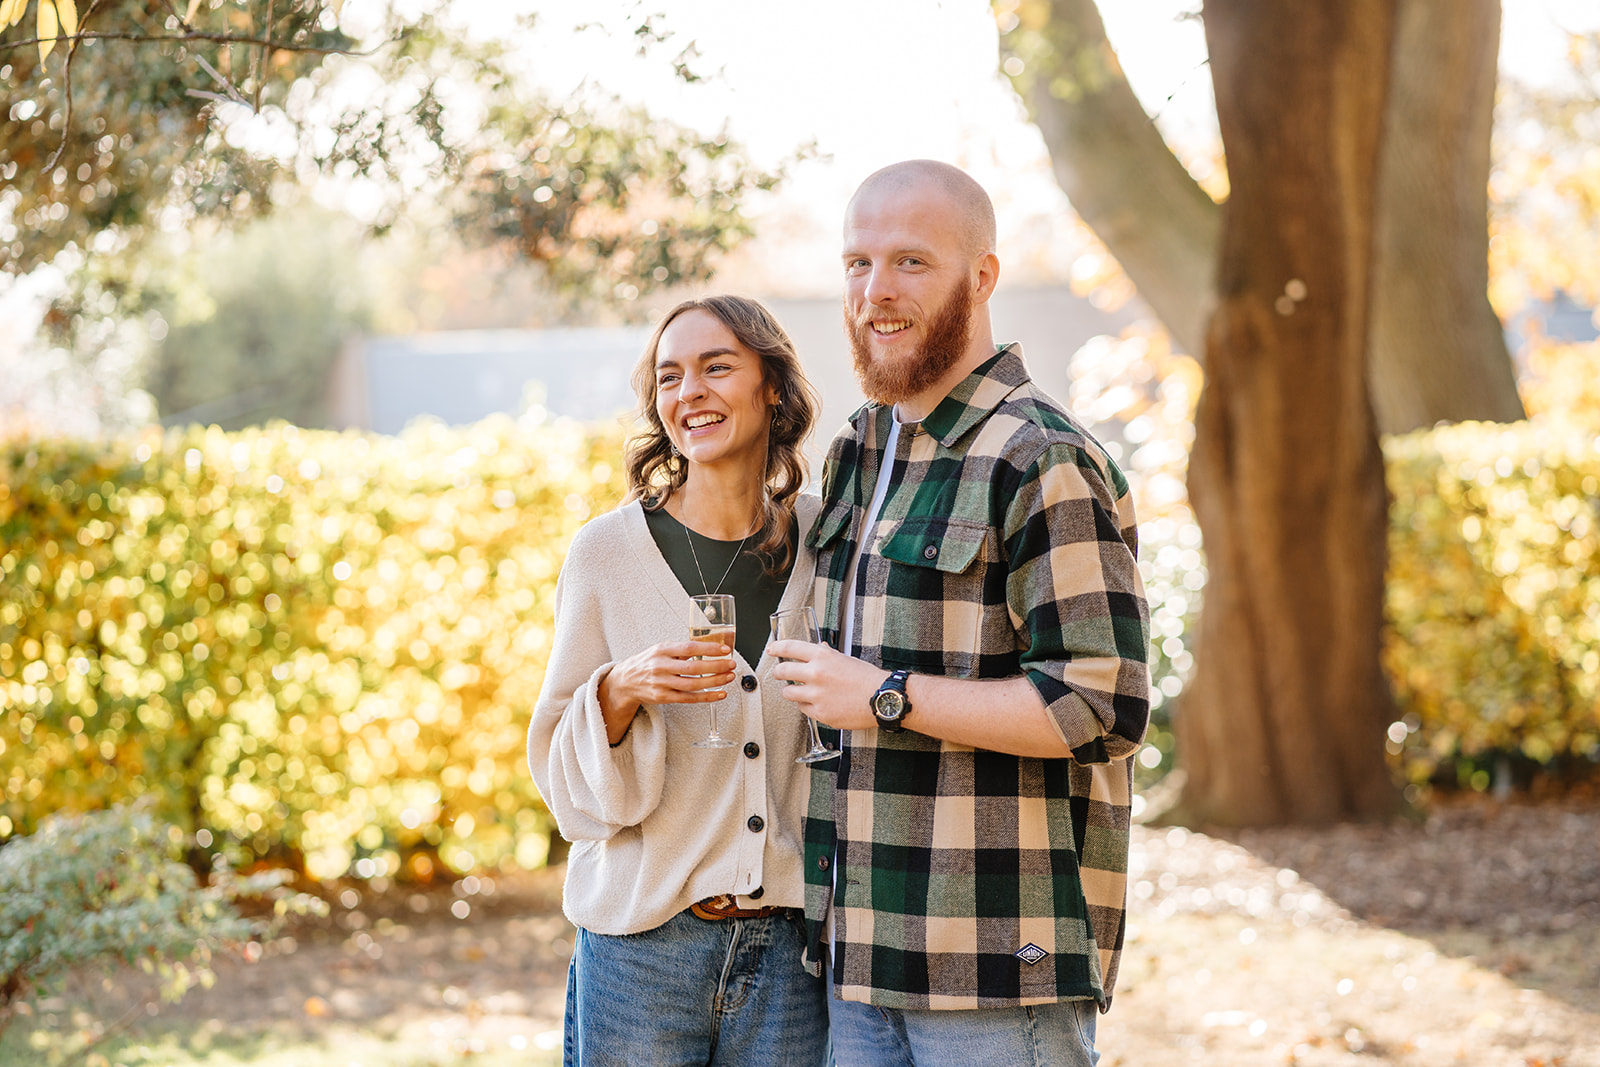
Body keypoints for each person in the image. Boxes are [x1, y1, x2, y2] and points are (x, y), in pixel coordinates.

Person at [769, 160, 1151, 1067]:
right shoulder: (858, 450)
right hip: (859, 960)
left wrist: (885, 696)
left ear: (981, 277)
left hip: (996, 969)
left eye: (910, 262)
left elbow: (1101, 704)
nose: (875, 292)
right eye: (857, 263)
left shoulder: (1040, 456)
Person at [527, 295, 828, 1067]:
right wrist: (618, 692)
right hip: (643, 951)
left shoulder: (830, 544)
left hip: (789, 956)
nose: (688, 391)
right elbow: (561, 784)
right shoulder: (606, 554)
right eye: (669, 376)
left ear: (772, 387)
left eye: (715, 367)